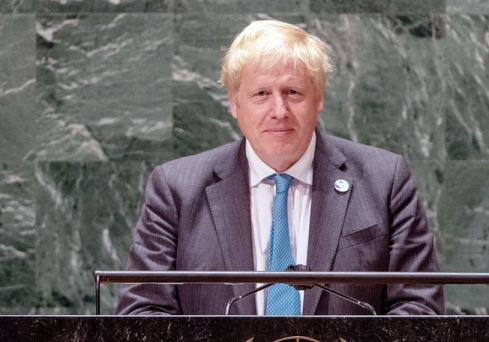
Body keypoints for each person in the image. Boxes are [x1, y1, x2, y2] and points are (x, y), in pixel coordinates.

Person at [116, 19, 444, 315]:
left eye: (293, 92)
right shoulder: (176, 188)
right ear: (234, 103)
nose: (279, 110)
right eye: (261, 94)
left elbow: (418, 307)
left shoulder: (385, 180)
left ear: (319, 99)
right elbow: (143, 312)